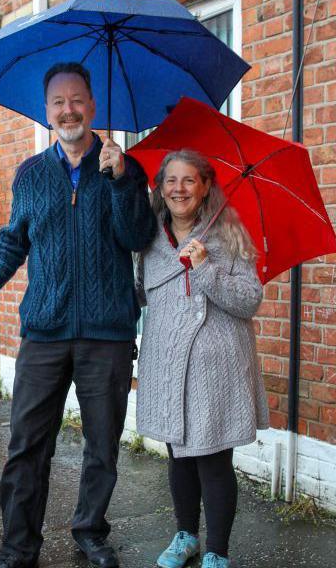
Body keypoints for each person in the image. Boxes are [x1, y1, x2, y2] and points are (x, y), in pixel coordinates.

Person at [0, 62, 156, 568]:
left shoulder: (125, 169)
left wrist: (118, 179)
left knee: (102, 446)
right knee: (27, 446)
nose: (68, 110)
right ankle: (19, 546)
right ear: (47, 113)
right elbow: (14, 240)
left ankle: (90, 531)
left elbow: (139, 237)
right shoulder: (30, 174)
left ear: (92, 107)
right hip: (44, 331)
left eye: (77, 100)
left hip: (106, 333)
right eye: (58, 103)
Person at [135, 150, 268, 568]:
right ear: (160, 186)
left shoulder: (228, 233)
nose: (179, 189)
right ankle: (186, 536)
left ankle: (217, 552)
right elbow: (139, 293)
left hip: (218, 369)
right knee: (178, 456)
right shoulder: (149, 238)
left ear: (205, 185)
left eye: (189, 180)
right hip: (170, 362)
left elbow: (249, 301)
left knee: (213, 459)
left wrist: (206, 267)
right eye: (171, 180)